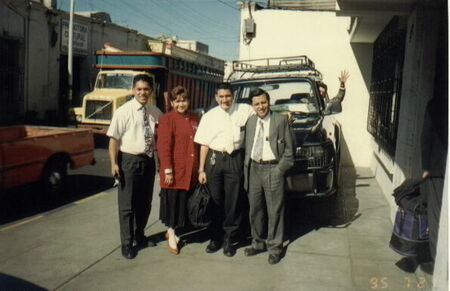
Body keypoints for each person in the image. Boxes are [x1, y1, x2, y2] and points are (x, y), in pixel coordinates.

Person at [194, 82, 254, 257]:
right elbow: (204, 144)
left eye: (227, 96)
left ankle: (229, 238)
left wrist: (285, 116)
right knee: (215, 200)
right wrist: (201, 170)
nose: (224, 100)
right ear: (216, 97)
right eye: (221, 96)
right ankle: (215, 237)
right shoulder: (209, 116)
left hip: (235, 158)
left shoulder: (244, 110)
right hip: (214, 159)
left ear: (233, 95)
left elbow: (262, 112)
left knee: (233, 201)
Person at [107, 74, 162, 259]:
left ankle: (140, 234)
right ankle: (127, 242)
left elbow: (160, 140)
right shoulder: (123, 111)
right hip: (128, 161)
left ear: (151, 91)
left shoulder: (155, 112)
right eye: (139, 89)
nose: (142, 92)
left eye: (146, 89)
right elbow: (114, 140)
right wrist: (114, 163)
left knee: (145, 203)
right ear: (133, 90)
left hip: (148, 160)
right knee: (127, 205)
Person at [243, 88, 294, 265]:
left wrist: (280, 170)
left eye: (263, 102)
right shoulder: (250, 122)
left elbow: (289, 150)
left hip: (273, 168)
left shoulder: (280, 120)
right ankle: (258, 243)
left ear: (269, 102)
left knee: (275, 210)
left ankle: (274, 248)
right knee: (255, 209)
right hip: (254, 169)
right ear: (252, 106)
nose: (261, 106)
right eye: (257, 104)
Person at [156, 86, 199, 255]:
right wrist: (167, 170)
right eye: (178, 101)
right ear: (172, 103)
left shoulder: (195, 118)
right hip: (175, 170)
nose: (181, 104)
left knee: (184, 203)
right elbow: (163, 147)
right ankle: (172, 233)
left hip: (191, 170)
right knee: (173, 203)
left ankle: (174, 230)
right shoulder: (167, 119)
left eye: (184, 100)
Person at [420, 97, 447, 273]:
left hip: (438, 169)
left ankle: (437, 261)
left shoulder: (437, 103)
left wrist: (425, 167)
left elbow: (426, 136)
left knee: (436, 215)